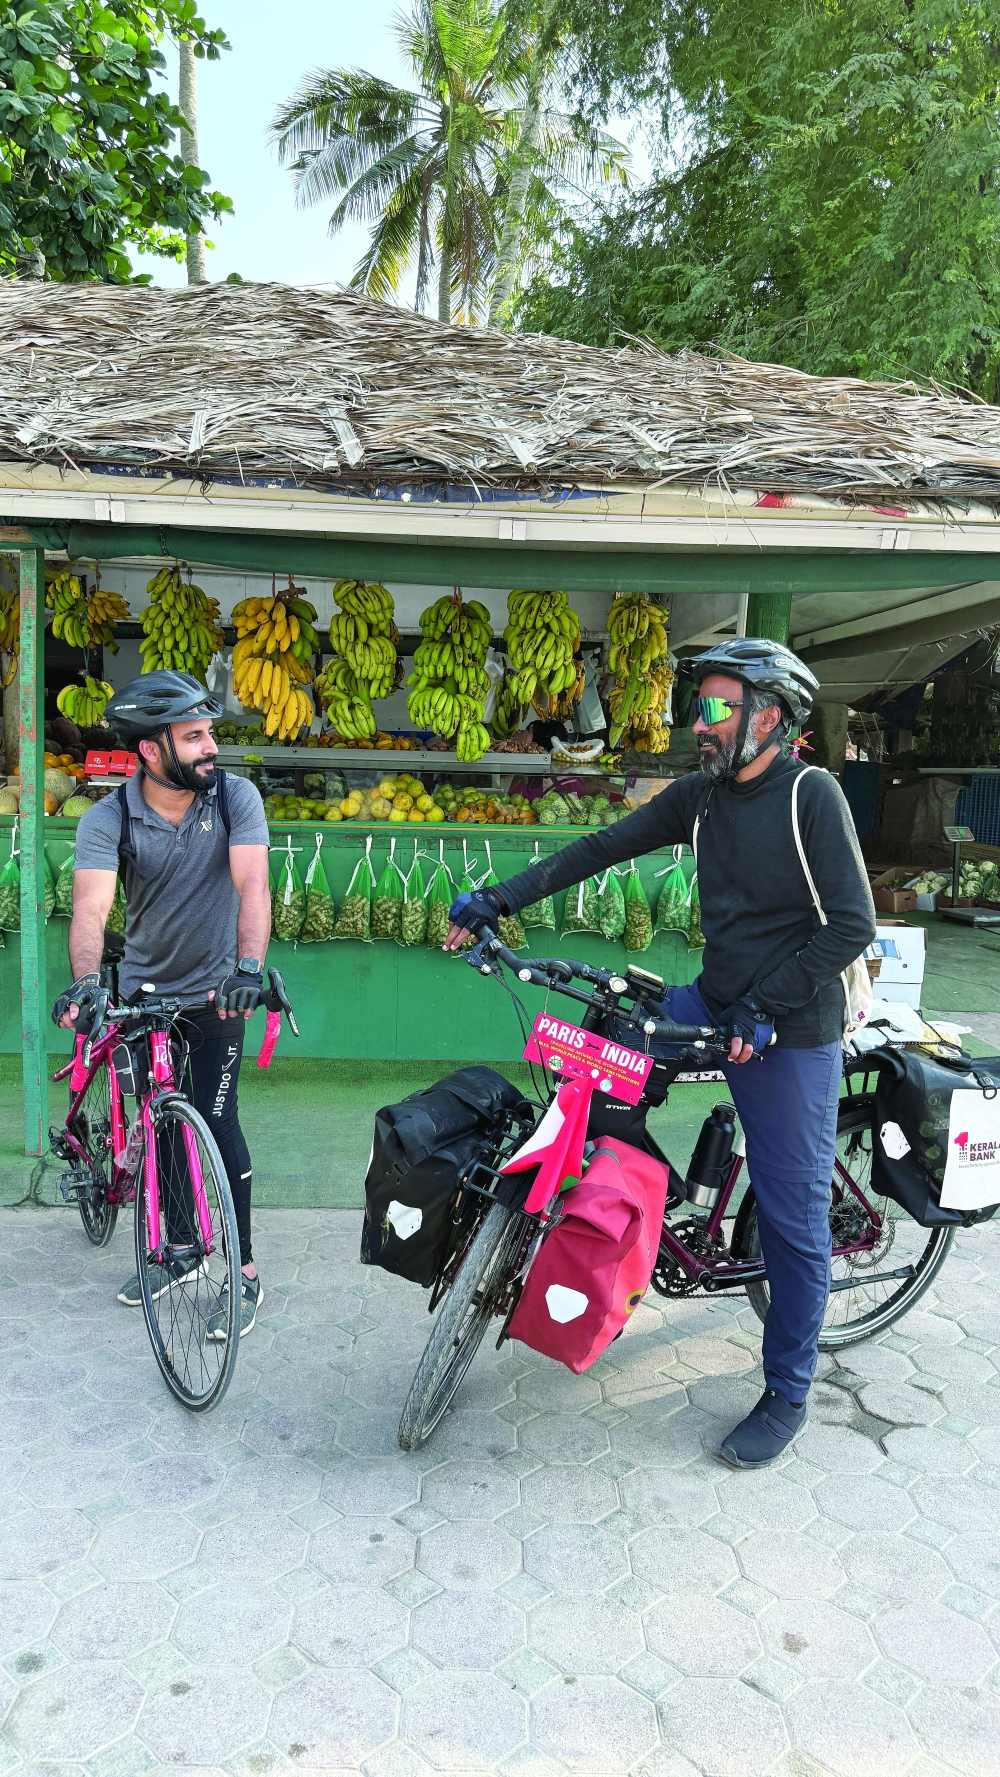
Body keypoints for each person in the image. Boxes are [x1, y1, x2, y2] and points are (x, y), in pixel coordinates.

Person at [445, 637, 877, 1468]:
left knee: (792, 1222)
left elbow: (850, 926)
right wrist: (497, 897)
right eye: (699, 707)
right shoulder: (703, 798)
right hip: (716, 997)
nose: (701, 725)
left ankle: (788, 1390)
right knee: (603, 1051)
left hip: (790, 1027)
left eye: (718, 708)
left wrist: (766, 1007)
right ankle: (641, 1216)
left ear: (771, 717)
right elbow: (601, 846)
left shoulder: (809, 795)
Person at [51, 671, 272, 1339]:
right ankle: (181, 1249)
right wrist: (88, 981)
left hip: (217, 993)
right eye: (195, 736)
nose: (212, 747)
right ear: (152, 750)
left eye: (210, 732)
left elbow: (253, 885)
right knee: (161, 1124)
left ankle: (245, 1276)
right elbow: (90, 907)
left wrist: (250, 967)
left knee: (215, 1117)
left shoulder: (235, 799)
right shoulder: (108, 816)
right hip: (144, 997)